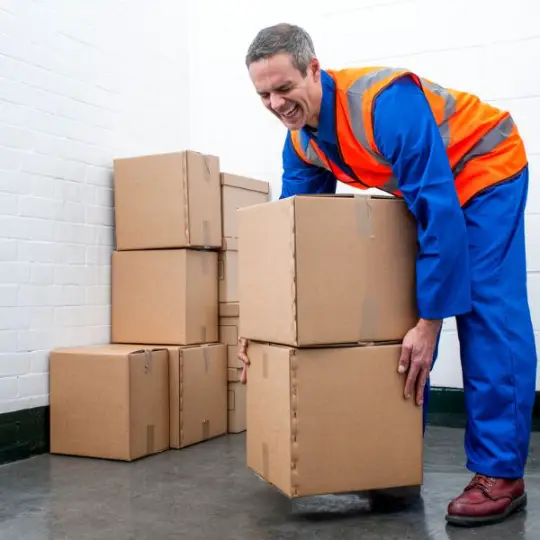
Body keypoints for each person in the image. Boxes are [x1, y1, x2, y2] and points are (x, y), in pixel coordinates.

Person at [237, 22, 538, 527]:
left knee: (485, 308)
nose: (276, 104)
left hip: (484, 168)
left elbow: (439, 210)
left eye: (284, 88)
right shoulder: (302, 142)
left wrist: (432, 321)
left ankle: (501, 475)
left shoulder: (383, 103)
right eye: (263, 94)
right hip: (432, 193)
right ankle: (391, 458)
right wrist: (263, 327)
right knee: (395, 321)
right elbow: (293, 242)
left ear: (314, 69)